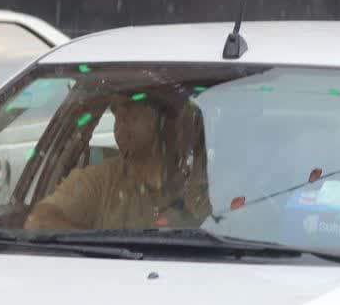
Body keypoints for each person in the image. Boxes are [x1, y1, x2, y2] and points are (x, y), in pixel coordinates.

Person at [26, 93, 211, 231]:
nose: (121, 120)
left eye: (132, 110)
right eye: (116, 113)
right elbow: (39, 221)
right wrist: (103, 249)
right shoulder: (100, 181)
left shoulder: (205, 183)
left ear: (162, 120)